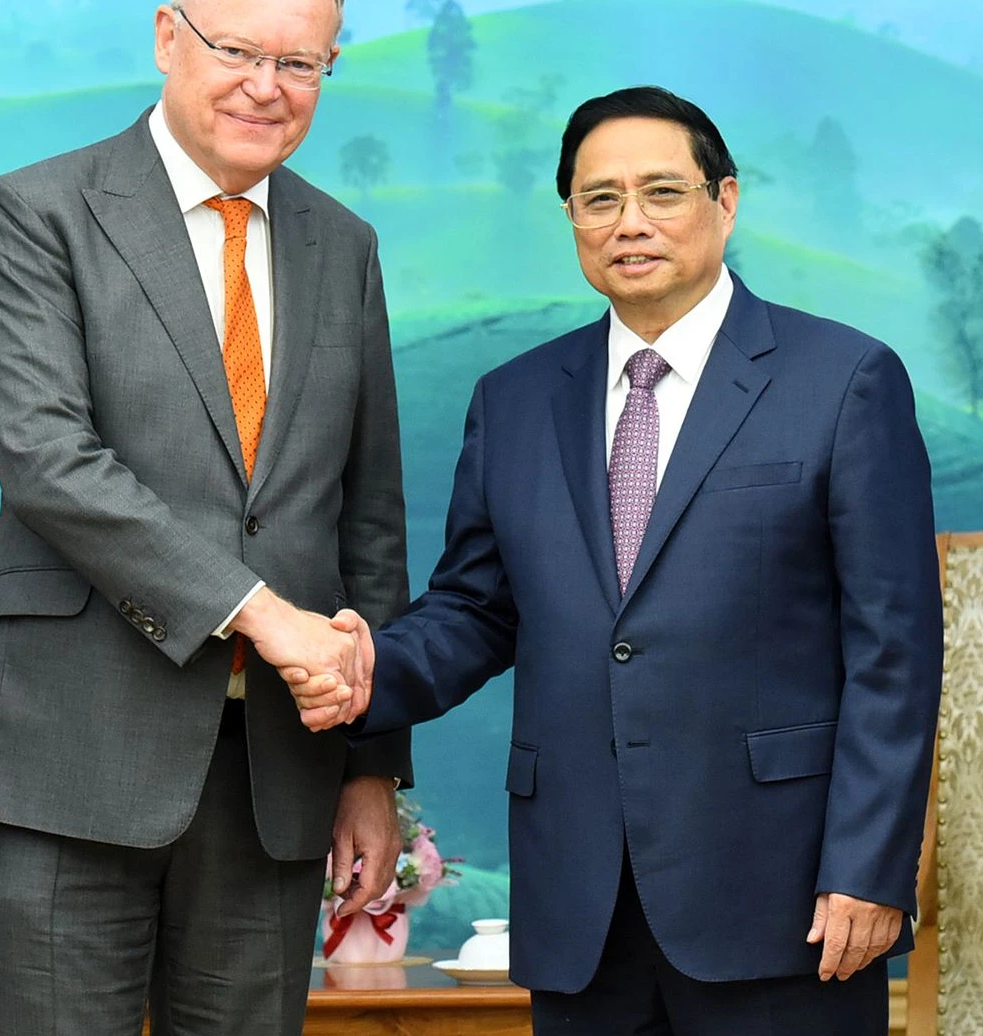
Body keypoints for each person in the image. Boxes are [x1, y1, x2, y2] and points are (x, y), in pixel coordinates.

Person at [296, 86, 942, 1034]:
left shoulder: (844, 380)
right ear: (571, 219)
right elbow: (476, 610)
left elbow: (896, 649)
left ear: (726, 201)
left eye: (662, 193)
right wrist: (360, 670)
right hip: (580, 905)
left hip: (784, 902)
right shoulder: (515, 399)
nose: (629, 223)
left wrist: (867, 869)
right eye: (599, 199)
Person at [0, 0, 410, 1036]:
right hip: (65, 751)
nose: (264, 86)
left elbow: (367, 517)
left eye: (299, 62)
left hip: (275, 774)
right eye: (237, 49)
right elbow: (50, 461)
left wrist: (372, 767)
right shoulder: (38, 211)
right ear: (166, 37)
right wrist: (266, 618)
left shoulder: (346, 245)